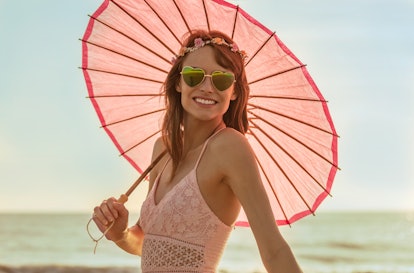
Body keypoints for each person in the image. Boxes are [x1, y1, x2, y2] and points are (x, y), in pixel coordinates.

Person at [92, 29, 303, 273]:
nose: (207, 87)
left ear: (233, 91)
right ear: (179, 82)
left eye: (221, 79)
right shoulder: (162, 148)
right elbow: (145, 241)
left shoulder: (230, 147)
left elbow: (274, 250)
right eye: (194, 76)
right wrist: (120, 234)